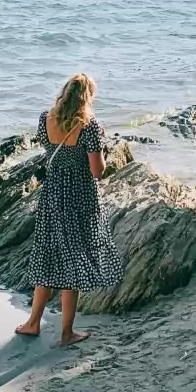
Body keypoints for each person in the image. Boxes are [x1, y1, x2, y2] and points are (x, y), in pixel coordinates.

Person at [15, 73, 124, 346]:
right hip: (79, 198)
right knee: (72, 264)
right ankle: (66, 333)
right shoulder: (90, 127)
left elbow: (49, 150)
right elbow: (97, 172)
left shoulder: (45, 119)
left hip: (52, 195)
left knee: (49, 257)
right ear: (88, 98)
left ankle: (32, 323)